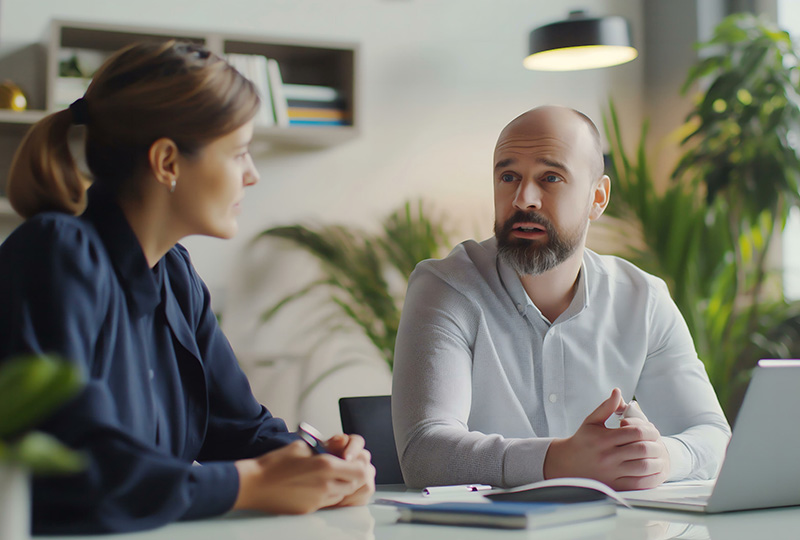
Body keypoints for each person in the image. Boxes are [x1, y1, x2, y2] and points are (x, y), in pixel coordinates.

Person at [0, 41, 374, 534]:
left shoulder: (176, 276)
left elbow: (240, 430)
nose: (252, 175)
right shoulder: (56, 253)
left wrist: (320, 463)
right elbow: (75, 469)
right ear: (168, 162)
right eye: (239, 152)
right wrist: (251, 484)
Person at [391, 105, 732, 491]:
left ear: (597, 198)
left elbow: (713, 436)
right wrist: (558, 460)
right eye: (508, 176)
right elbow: (424, 452)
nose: (523, 199)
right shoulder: (447, 287)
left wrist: (663, 457)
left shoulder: (644, 299)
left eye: (550, 177)